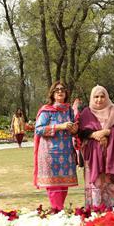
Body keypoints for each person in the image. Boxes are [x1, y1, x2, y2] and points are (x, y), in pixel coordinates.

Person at [77, 85, 114, 208]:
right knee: (96, 182)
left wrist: (106, 132)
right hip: (93, 155)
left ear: (106, 97)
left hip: (111, 153)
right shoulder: (86, 112)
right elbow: (81, 133)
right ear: (92, 98)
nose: (99, 99)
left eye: (102, 96)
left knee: (111, 181)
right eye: (96, 97)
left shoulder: (113, 110)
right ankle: (95, 208)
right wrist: (94, 134)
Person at [33, 81, 79, 211]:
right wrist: (59, 126)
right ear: (52, 93)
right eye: (57, 90)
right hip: (50, 154)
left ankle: (59, 209)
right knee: (54, 186)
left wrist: (74, 129)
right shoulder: (47, 110)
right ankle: (57, 210)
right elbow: (39, 129)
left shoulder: (69, 110)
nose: (60, 91)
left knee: (63, 185)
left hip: (66, 153)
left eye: (63, 89)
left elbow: (74, 130)